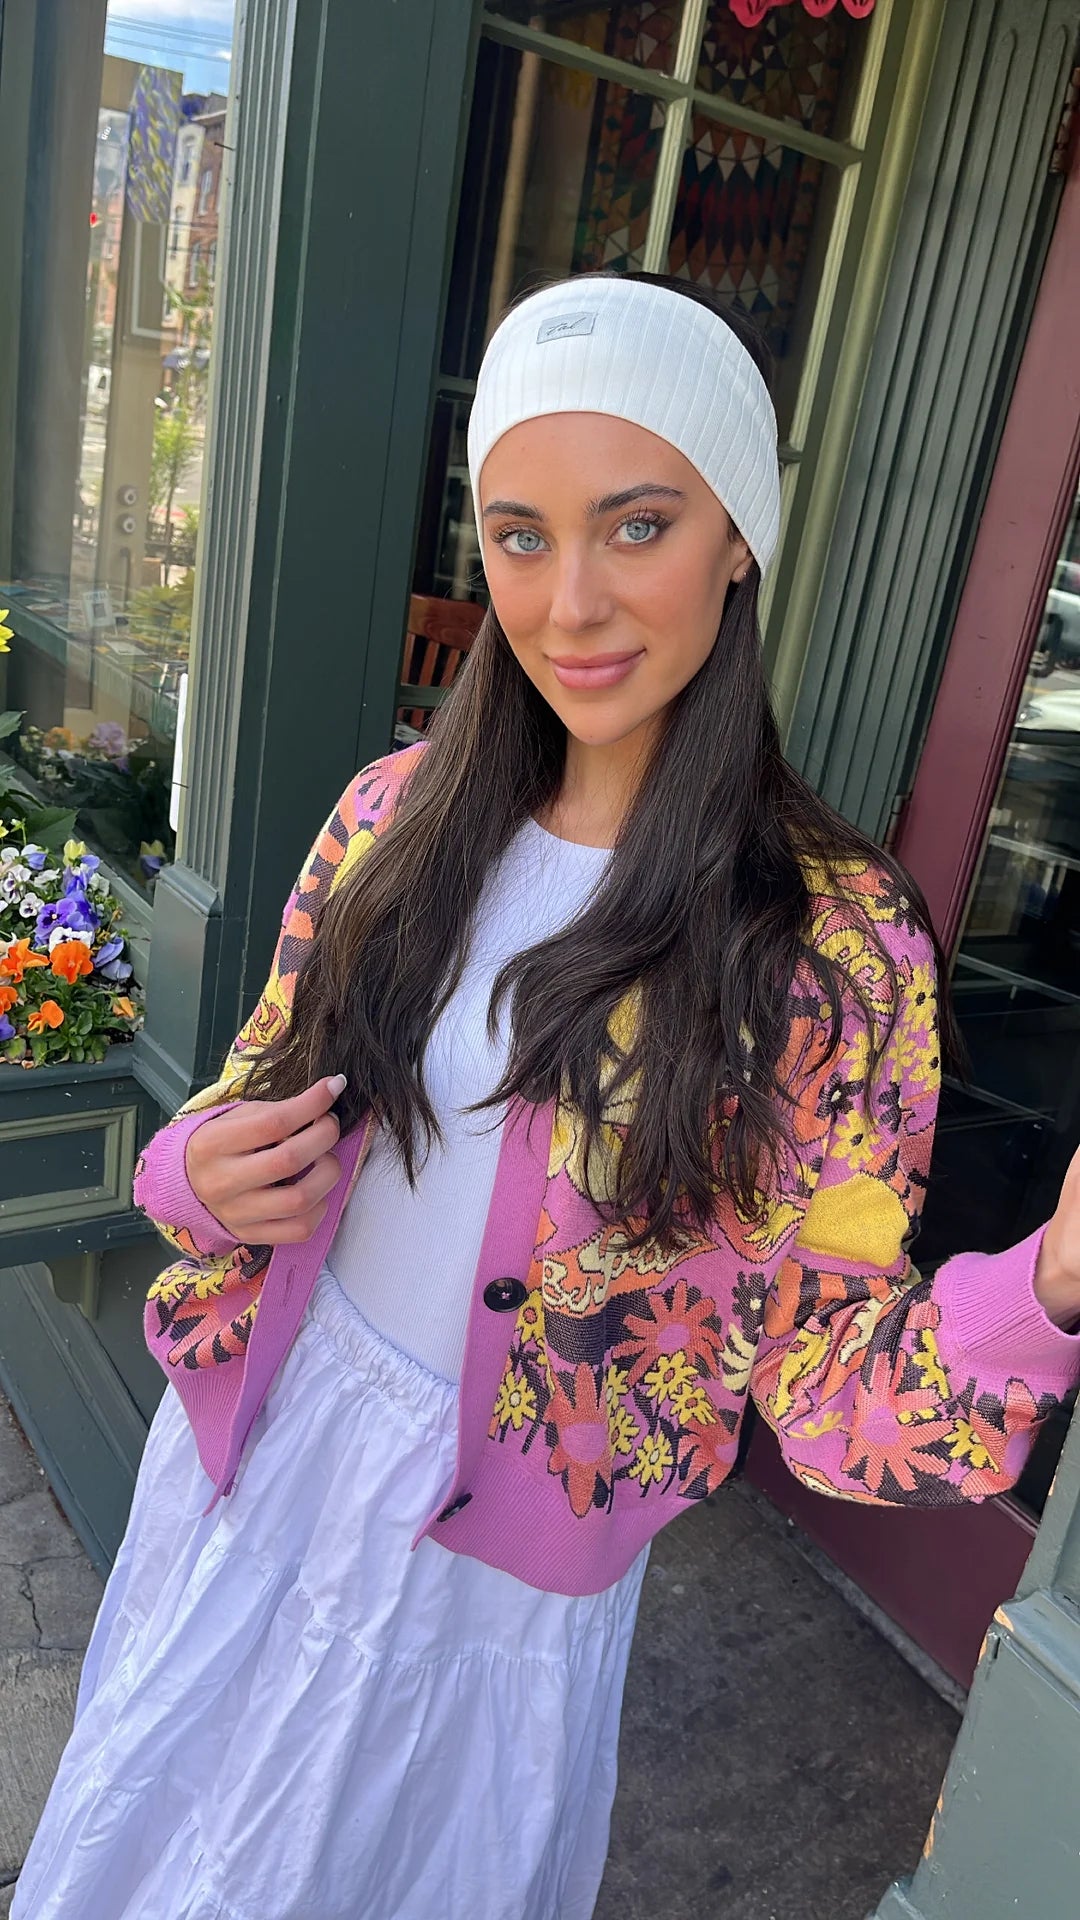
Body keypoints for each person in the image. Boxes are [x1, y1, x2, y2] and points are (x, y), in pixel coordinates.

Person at [14, 272, 1080, 1920]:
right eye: (520, 536)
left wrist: (1048, 1289)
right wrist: (194, 1176)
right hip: (258, 1464)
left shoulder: (835, 948)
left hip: (489, 1603)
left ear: (740, 538)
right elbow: (249, 1097)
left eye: (637, 525)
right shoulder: (392, 817)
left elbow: (823, 1386)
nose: (569, 602)